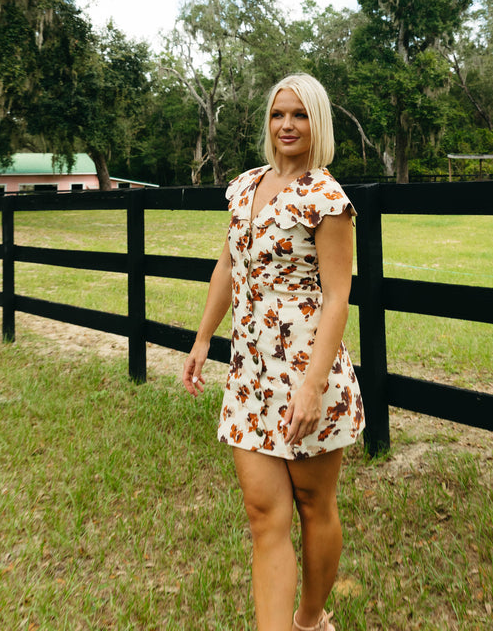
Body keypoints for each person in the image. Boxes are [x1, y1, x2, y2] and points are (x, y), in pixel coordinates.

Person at [183, 73, 364, 631]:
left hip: (308, 375)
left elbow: (338, 298)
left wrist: (311, 387)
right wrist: (202, 338)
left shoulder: (326, 200)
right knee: (264, 516)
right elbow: (227, 265)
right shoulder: (244, 187)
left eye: (300, 115)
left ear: (317, 122)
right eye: (278, 114)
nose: (287, 125)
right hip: (249, 376)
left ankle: (309, 620)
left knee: (314, 506)